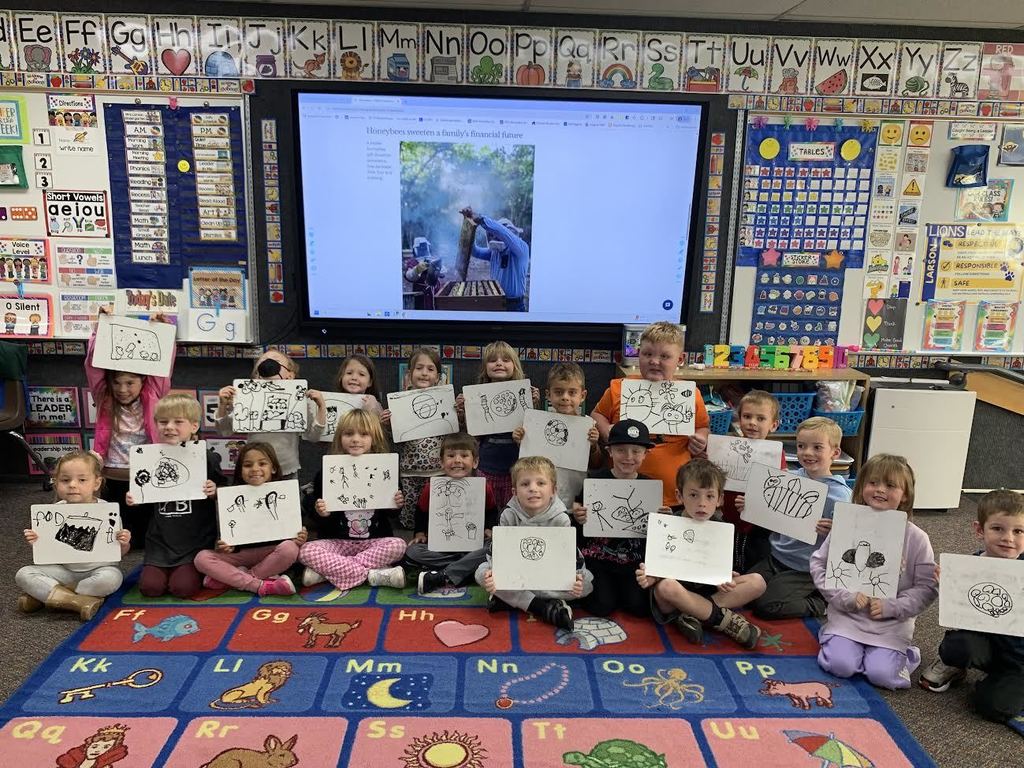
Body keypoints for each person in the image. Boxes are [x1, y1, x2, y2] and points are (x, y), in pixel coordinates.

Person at [810, 454, 937, 689]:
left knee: (883, 676)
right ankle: (840, 642)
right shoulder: (847, 525)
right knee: (840, 666)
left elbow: (927, 587)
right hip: (848, 617)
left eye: (890, 485)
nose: (880, 490)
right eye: (873, 483)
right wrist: (844, 597)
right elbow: (820, 564)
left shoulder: (917, 538)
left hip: (891, 623)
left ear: (905, 494)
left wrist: (893, 606)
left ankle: (905, 655)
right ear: (860, 487)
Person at [636, 459, 765, 648]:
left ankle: (692, 614)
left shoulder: (723, 529)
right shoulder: (667, 523)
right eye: (694, 495)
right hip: (674, 596)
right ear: (680, 496)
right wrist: (651, 577)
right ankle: (723, 621)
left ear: (720, 499)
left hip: (708, 591)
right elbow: (656, 569)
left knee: (757, 582)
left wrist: (727, 577)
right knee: (666, 587)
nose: (702, 504)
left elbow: (723, 572)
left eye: (709, 496)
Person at [919, 489, 1024, 722]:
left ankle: (1000, 683)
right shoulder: (970, 566)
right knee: (956, 646)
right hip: (986, 645)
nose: (1008, 538)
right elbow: (957, 616)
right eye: (998, 529)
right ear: (979, 530)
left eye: (1018, 531)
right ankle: (955, 667)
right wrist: (949, 587)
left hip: (1018, 658)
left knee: (993, 707)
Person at [592, 321, 710, 508]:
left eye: (665, 356)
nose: (654, 361)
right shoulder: (618, 388)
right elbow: (597, 415)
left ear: (680, 359)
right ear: (639, 354)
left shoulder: (690, 395)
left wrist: (701, 438)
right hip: (622, 490)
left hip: (675, 494)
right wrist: (607, 431)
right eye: (647, 354)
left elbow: (702, 426)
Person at [745, 416, 852, 620]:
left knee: (766, 606)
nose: (807, 453)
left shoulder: (841, 496)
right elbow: (772, 513)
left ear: (835, 453)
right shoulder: (791, 478)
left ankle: (820, 603)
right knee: (746, 591)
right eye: (802, 446)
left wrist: (834, 532)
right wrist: (752, 504)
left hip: (806, 568)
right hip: (777, 555)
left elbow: (849, 543)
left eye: (817, 447)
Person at [85, 308, 175, 547]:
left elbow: (163, 365)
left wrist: (163, 330)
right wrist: (100, 331)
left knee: (146, 529)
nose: (123, 389)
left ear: (143, 380)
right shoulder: (104, 396)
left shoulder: (154, 393)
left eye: (130, 383)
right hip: (113, 471)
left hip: (144, 471)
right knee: (115, 529)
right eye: (117, 382)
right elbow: (94, 368)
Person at [124, 394, 226, 598]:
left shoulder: (207, 458)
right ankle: (162, 566)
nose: (169, 427)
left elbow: (226, 494)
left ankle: (195, 571)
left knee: (182, 588)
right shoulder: (146, 458)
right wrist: (134, 499)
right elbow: (144, 503)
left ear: (194, 426)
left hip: (194, 540)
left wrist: (215, 491)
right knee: (150, 588)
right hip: (160, 540)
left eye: (178, 422)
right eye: (163, 422)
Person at [476, 456, 593, 630]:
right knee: (482, 573)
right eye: (525, 484)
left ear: (553, 490)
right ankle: (543, 606)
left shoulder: (561, 519)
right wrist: (494, 574)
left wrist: (574, 579)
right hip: (518, 573)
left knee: (585, 584)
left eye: (540, 483)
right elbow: (499, 554)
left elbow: (570, 558)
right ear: (514, 492)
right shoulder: (508, 515)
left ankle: (512, 599)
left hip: (549, 576)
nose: (533, 489)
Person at [300, 409, 407, 591]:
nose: (356, 439)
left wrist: (397, 504)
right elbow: (313, 506)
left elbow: (391, 514)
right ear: (340, 438)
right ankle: (374, 575)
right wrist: (320, 511)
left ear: (374, 438)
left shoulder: (385, 470)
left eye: (364, 434)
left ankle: (327, 573)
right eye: (349, 434)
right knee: (305, 551)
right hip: (336, 542)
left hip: (374, 541)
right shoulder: (328, 470)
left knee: (398, 545)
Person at [16, 452, 131, 620]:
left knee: (112, 578)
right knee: (23, 574)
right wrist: (36, 540)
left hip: (97, 571)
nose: (72, 485)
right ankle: (78, 601)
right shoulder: (52, 512)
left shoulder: (108, 512)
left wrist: (124, 543)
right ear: (56, 483)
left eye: (82, 480)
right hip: (63, 571)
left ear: (96, 483)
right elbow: (47, 552)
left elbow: (117, 553)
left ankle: (48, 596)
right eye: (65, 480)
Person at [194, 442, 303, 596]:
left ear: (273, 468)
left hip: (270, 554)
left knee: (290, 549)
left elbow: (294, 535)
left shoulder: (285, 494)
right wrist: (226, 546)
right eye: (247, 465)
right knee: (202, 558)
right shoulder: (230, 496)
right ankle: (259, 585)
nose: (255, 469)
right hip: (240, 555)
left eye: (262, 463)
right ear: (240, 470)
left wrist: (299, 536)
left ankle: (235, 578)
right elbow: (226, 538)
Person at [571, 419, 655, 618]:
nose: (628, 457)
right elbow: (580, 525)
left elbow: (654, 535)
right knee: (602, 606)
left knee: (638, 607)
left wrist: (662, 520)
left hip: (633, 561)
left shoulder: (650, 486)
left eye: (636, 451)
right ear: (609, 451)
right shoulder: (594, 481)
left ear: (645, 454)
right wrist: (579, 517)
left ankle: (619, 590)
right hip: (598, 558)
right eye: (621, 450)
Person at [408, 432, 501, 594]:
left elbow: (492, 510)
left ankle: (447, 572)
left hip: (473, 545)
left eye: (464, 456)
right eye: (451, 456)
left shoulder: (483, 487)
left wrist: (489, 528)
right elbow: (421, 512)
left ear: (475, 462)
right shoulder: (432, 487)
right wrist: (420, 533)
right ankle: (466, 567)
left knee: (494, 546)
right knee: (412, 551)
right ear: (442, 462)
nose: (457, 460)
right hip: (441, 546)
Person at [214, 349, 327, 480]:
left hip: (286, 469)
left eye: (275, 361)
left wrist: (321, 407)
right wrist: (222, 406)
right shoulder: (248, 399)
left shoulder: (298, 402)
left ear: (290, 376)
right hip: (255, 470)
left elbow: (313, 436)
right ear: (256, 376)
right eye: (262, 361)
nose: (268, 363)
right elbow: (224, 431)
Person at [457, 341, 540, 508]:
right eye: (493, 360)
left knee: (513, 512)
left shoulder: (526, 395)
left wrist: (534, 406)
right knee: (485, 510)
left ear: (515, 366)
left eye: (506, 360)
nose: (499, 363)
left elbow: (534, 436)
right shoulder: (476, 396)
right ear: (485, 367)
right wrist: (463, 412)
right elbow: (472, 437)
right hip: (486, 466)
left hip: (516, 469)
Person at [513, 362, 601, 510]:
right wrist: (520, 440)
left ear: (583, 395)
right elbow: (527, 459)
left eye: (572, 392)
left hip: (575, 496)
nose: (565, 398)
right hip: (542, 499)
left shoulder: (588, 426)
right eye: (559, 392)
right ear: (548, 395)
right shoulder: (536, 424)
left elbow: (596, 464)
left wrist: (593, 446)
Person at [383, 347, 446, 529]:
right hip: (410, 471)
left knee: (436, 520)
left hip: (438, 471)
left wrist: (459, 413)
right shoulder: (399, 403)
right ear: (409, 374)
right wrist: (387, 425)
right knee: (409, 522)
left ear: (438, 376)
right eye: (419, 368)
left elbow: (456, 433)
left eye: (430, 369)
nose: (424, 373)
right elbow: (393, 440)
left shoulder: (445, 401)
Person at [724, 390, 787, 570]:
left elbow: (778, 491)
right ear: (739, 419)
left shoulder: (776, 453)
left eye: (760, 419)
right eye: (747, 416)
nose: (752, 423)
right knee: (729, 561)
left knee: (754, 563)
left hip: (759, 525)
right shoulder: (729, 447)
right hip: (730, 516)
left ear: (773, 425)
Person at [460, 206, 530, 312]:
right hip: (496, 302)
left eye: (497, 234)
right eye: (493, 235)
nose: (495, 237)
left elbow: (503, 233)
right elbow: (475, 251)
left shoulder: (522, 249)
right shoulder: (494, 252)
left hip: (515, 306)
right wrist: (469, 229)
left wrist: (481, 219)